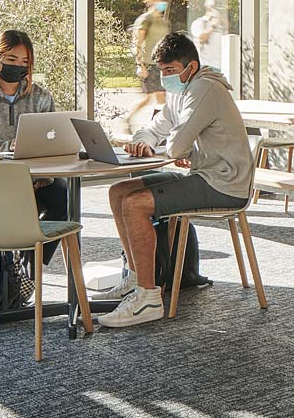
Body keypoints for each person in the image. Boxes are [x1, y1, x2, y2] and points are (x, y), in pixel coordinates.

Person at [94, 33, 255, 328]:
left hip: (225, 185)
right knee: (119, 192)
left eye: (170, 70)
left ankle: (148, 298)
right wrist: (143, 141)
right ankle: (134, 278)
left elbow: (176, 146)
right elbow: (156, 127)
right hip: (205, 175)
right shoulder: (183, 90)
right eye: (162, 71)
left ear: (190, 66)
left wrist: (177, 147)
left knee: (135, 204)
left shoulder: (204, 88)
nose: (165, 77)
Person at [0, 30, 70, 247]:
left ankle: (28, 266)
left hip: (33, 179)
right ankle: (16, 267)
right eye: (11, 59)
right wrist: (9, 146)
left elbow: (51, 143)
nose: (18, 65)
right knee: (17, 207)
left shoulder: (41, 97)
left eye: (25, 61)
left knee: (64, 199)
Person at [130, 0, 170, 116]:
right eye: (161, 1)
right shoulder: (145, 19)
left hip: (160, 64)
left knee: (159, 98)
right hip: (148, 64)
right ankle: (128, 119)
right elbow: (138, 42)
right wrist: (140, 65)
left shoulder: (163, 22)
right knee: (155, 98)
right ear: (152, 2)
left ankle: (157, 127)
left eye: (164, 2)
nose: (163, 4)